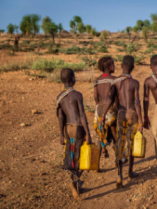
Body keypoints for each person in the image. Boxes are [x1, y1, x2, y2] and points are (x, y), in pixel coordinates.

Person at [101, 55, 143, 188]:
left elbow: (109, 100)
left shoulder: (115, 82)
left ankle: (119, 175)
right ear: (133, 68)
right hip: (132, 114)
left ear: (121, 66)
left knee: (120, 143)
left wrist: (103, 115)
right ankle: (130, 172)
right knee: (130, 144)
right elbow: (137, 102)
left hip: (120, 115)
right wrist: (141, 120)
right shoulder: (135, 83)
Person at [56, 68, 93, 199]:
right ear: (73, 79)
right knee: (82, 157)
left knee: (72, 157)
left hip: (68, 129)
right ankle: (73, 183)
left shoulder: (59, 97)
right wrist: (88, 133)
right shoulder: (77, 95)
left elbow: (61, 117)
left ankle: (77, 184)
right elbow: (82, 115)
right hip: (78, 128)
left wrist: (61, 134)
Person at [93, 57, 118, 163]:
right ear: (108, 67)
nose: (115, 66)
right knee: (115, 135)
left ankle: (96, 165)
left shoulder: (97, 80)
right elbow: (113, 98)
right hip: (110, 110)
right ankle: (119, 161)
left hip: (99, 109)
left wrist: (99, 106)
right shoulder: (114, 79)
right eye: (113, 64)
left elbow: (95, 96)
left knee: (101, 134)